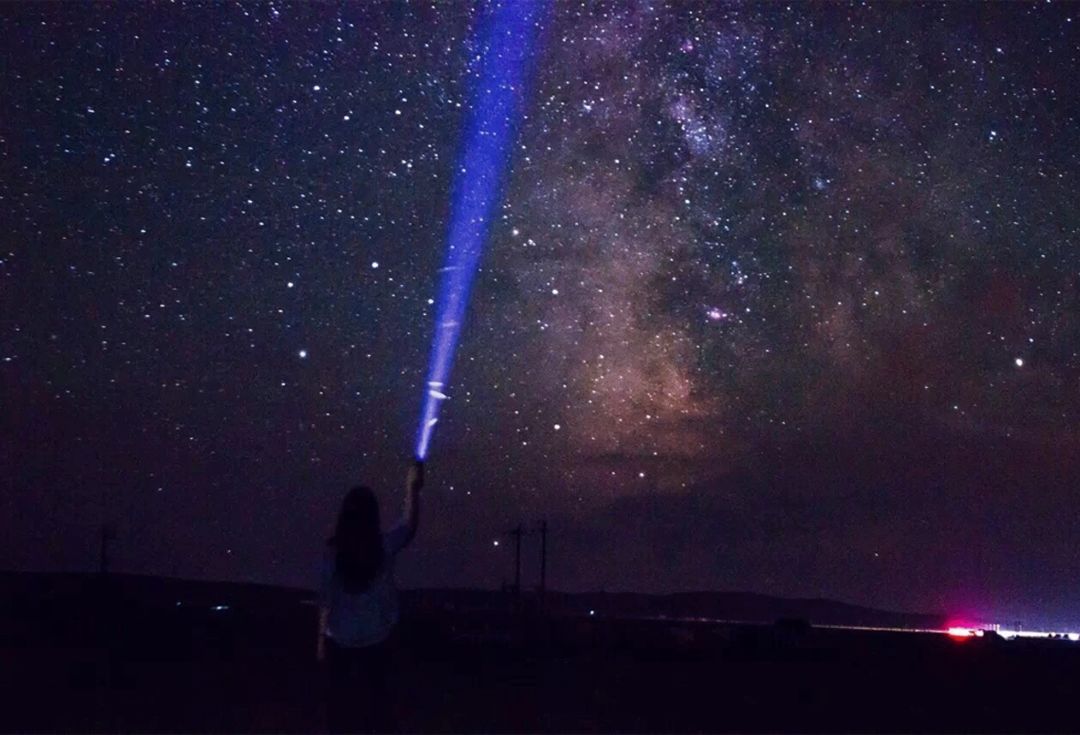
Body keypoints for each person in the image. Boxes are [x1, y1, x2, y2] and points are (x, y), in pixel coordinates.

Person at [318, 460, 424, 733]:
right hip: (378, 642)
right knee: (378, 714)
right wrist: (411, 488)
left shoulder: (333, 555)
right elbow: (408, 525)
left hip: (340, 643)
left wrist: (320, 645)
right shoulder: (383, 548)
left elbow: (325, 603)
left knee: (340, 716)